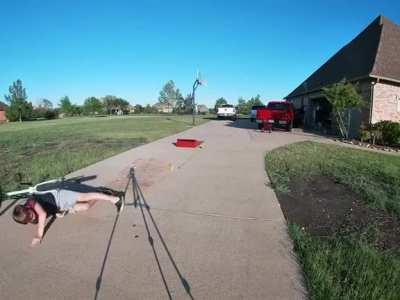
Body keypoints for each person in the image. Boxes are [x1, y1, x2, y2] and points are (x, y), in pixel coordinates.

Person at [12, 189, 124, 247]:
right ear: (25, 222)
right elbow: (46, 212)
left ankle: (115, 199)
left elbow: (42, 214)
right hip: (58, 206)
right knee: (86, 206)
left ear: (27, 207)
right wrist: (56, 213)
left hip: (58, 197)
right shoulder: (29, 218)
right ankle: (102, 193)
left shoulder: (31, 202)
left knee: (83, 197)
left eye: (29, 214)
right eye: (28, 219)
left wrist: (39, 235)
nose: (31, 217)